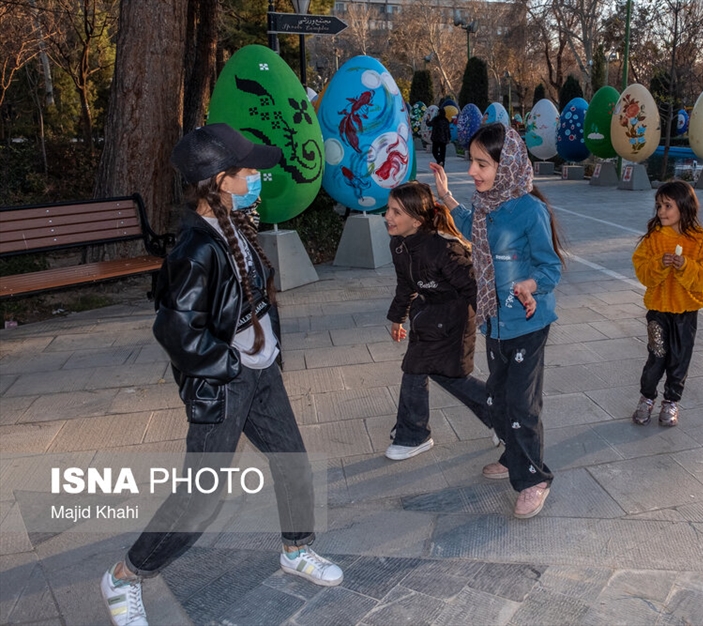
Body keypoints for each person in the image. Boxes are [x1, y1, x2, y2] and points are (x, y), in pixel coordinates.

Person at [100, 124, 342, 626]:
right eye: (249, 170)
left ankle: (296, 550)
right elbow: (176, 331)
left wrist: (267, 356)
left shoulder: (235, 224)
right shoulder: (195, 250)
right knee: (201, 496)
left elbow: (252, 298)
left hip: (261, 372)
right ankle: (124, 577)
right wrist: (231, 366)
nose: (258, 177)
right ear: (221, 179)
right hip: (226, 382)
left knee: (292, 461)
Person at [430, 123, 565, 520]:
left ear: (506, 166)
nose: (473, 171)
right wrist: (448, 198)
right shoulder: (487, 205)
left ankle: (534, 479)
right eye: (471, 162)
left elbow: (551, 266)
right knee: (497, 397)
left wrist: (530, 283)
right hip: (495, 321)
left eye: (482, 163)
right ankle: (514, 453)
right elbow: (473, 224)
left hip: (527, 323)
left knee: (522, 403)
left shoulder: (530, 210)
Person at [384, 181, 493, 460]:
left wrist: (490, 324)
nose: (388, 217)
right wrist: (398, 317)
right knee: (433, 371)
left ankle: (414, 435)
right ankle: (498, 414)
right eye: (388, 210)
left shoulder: (444, 250)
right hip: (428, 314)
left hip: (453, 319)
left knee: (427, 369)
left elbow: (473, 288)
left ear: (417, 221)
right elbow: (404, 284)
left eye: (396, 212)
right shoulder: (399, 244)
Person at [630, 179, 703, 427]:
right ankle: (646, 398)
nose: (661, 212)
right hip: (658, 311)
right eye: (659, 206)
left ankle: (671, 401)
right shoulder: (653, 239)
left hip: (686, 313)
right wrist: (659, 264)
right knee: (656, 356)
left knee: (679, 359)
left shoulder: (699, 240)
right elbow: (643, 272)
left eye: (668, 206)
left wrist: (686, 266)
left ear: (684, 207)